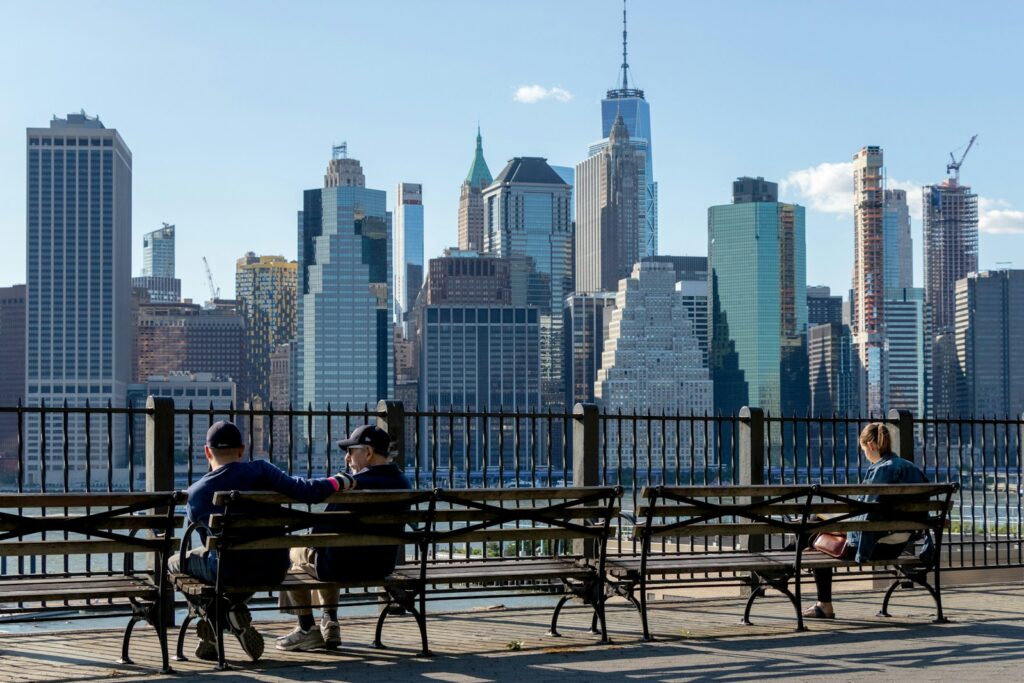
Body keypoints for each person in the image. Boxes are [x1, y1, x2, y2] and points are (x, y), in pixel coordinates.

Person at [169, 420, 355, 661]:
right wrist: (338, 481)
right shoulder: (262, 471)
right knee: (235, 564)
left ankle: (219, 615)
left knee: (174, 563)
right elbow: (306, 490)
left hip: (229, 571)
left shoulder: (196, 493)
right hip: (273, 567)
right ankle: (228, 615)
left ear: (207, 452)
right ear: (241, 450)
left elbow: (208, 545)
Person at [276, 424, 412, 651]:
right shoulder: (403, 483)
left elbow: (320, 535)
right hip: (382, 566)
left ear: (368, 453)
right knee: (322, 553)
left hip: (342, 567)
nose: (347, 457)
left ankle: (307, 628)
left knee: (290, 553)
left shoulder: (353, 486)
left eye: (351, 450)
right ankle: (329, 622)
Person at [802, 422, 930, 619]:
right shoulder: (911, 468)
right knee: (815, 530)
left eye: (863, 449)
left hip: (872, 547)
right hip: (898, 545)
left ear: (870, 445)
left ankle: (786, 574)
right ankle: (817, 601)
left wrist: (841, 526)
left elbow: (867, 517)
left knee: (812, 528)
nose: (865, 455)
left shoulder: (880, 470)